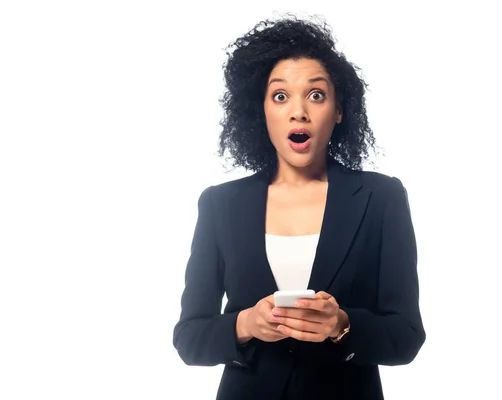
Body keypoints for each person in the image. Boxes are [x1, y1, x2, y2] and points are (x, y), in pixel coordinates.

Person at [173, 15, 426, 400]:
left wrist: (341, 325)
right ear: (261, 111)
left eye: (316, 95)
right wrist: (246, 324)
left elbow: (406, 336)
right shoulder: (220, 204)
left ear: (339, 110)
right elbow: (189, 338)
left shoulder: (381, 198)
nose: (298, 112)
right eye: (280, 96)